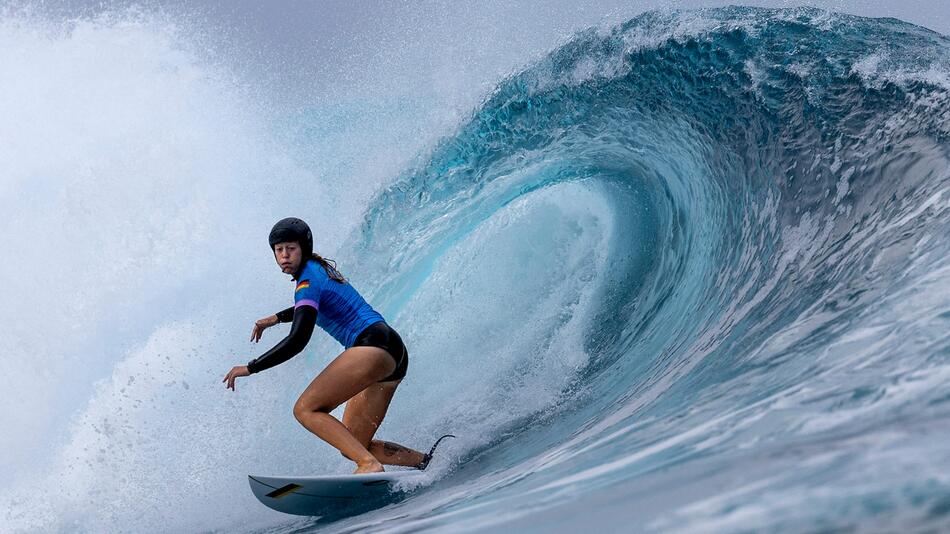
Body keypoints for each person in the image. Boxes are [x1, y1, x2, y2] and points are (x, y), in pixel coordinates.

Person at [223, 217, 451, 474]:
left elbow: (298, 340)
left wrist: (250, 368)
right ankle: (424, 462)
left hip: (370, 345)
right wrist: (277, 318)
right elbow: (310, 307)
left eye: (291, 248)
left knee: (305, 409)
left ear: (304, 248)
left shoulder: (307, 279)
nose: (285, 255)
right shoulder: (318, 271)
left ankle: (369, 465)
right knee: (353, 443)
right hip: (391, 351)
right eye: (279, 250)